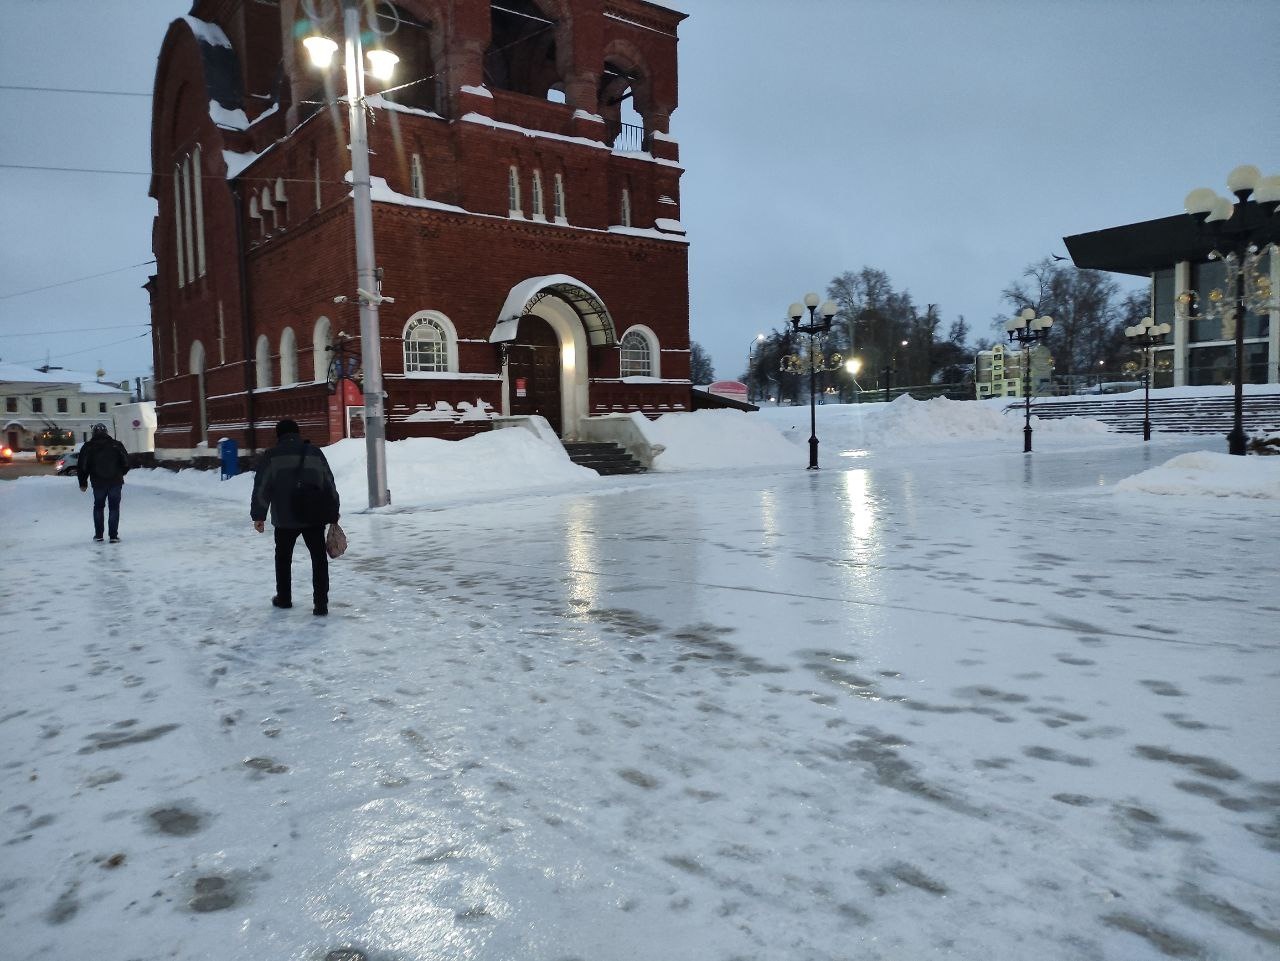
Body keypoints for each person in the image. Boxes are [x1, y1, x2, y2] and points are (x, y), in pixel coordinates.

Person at [250, 419, 340, 616]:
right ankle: (321, 604)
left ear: (278, 435)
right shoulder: (314, 453)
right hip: (313, 517)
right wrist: (334, 510)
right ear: (298, 433)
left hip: (284, 518)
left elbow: (262, 486)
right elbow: (329, 483)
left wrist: (259, 515)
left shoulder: (271, 456)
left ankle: (284, 598)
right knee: (318, 559)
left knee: (283, 558)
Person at [77, 423, 130, 543]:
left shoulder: (88, 447)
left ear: (93, 433)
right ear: (106, 432)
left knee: (98, 507)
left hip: (98, 482)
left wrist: (83, 482)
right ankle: (113, 536)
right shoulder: (116, 445)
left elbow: (82, 466)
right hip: (115, 481)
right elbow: (126, 462)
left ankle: (99, 535)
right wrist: (121, 473)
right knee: (114, 508)